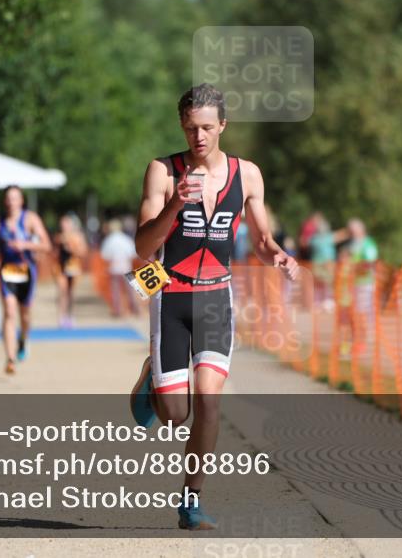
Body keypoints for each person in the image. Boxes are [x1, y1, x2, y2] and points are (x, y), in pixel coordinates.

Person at [129, 83, 299, 530]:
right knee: (174, 415)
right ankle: (154, 376)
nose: (198, 137)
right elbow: (144, 248)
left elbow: (262, 240)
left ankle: (191, 500)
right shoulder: (163, 173)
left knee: (209, 400)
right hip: (171, 294)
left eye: (206, 127)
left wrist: (278, 255)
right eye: (189, 128)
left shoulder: (248, 175)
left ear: (222, 125)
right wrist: (173, 207)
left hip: (215, 297)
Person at [0, 185, 53, 374]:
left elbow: (46, 245)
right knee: (9, 312)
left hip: (26, 271)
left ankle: (24, 339)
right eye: (8, 198)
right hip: (7, 270)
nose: (11, 202)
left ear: (21, 201)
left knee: (24, 314)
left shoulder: (30, 219)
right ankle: (10, 359)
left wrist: (25, 244)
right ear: (5, 201)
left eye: (15, 198)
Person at [347, 218, 378, 355]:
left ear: (361, 230)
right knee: (356, 313)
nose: (352, 234)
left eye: (354, 231)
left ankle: (362, 342)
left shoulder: (368, 244)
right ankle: (358, 341)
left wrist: (355, 268)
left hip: (366, 284)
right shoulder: (354, 244)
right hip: (354, 284)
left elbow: (370, 263)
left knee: (363, 313)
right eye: (350, 231)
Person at [55, 213, 88, 328]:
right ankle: (61, 316)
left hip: (74, 267)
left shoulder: (78, 236)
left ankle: (71, 316)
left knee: (71, 293)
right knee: (62, 291)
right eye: (62, 223)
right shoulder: (59, 237)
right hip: (60, 267)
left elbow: (83, 252)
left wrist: (72, 248)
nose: (64, 226)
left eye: (66, 223)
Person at [100, 219, 138, 317]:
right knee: (130, 290)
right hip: (126, 267)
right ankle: (134, 309)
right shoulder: (126, 239)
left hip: (114, 268)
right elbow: (132, 253)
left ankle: (117, 310)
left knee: (115, 290)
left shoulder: (109, 240)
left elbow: (105, 255)